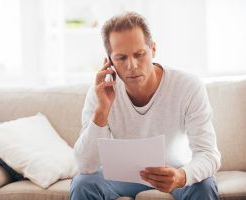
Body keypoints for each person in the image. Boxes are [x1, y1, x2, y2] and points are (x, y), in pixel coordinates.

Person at [70, 12, 220, 200]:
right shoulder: (101, 93)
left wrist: (182, 176)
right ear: (109, 62)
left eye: (139, 54)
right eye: (121, 58)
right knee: (82, 183)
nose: (132, 65)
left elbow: (209, 154)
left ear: (153, 49)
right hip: (120, 178)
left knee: (204, 185)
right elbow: (85, 166)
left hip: (174, 171)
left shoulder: (188, 86)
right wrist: (102, 110)